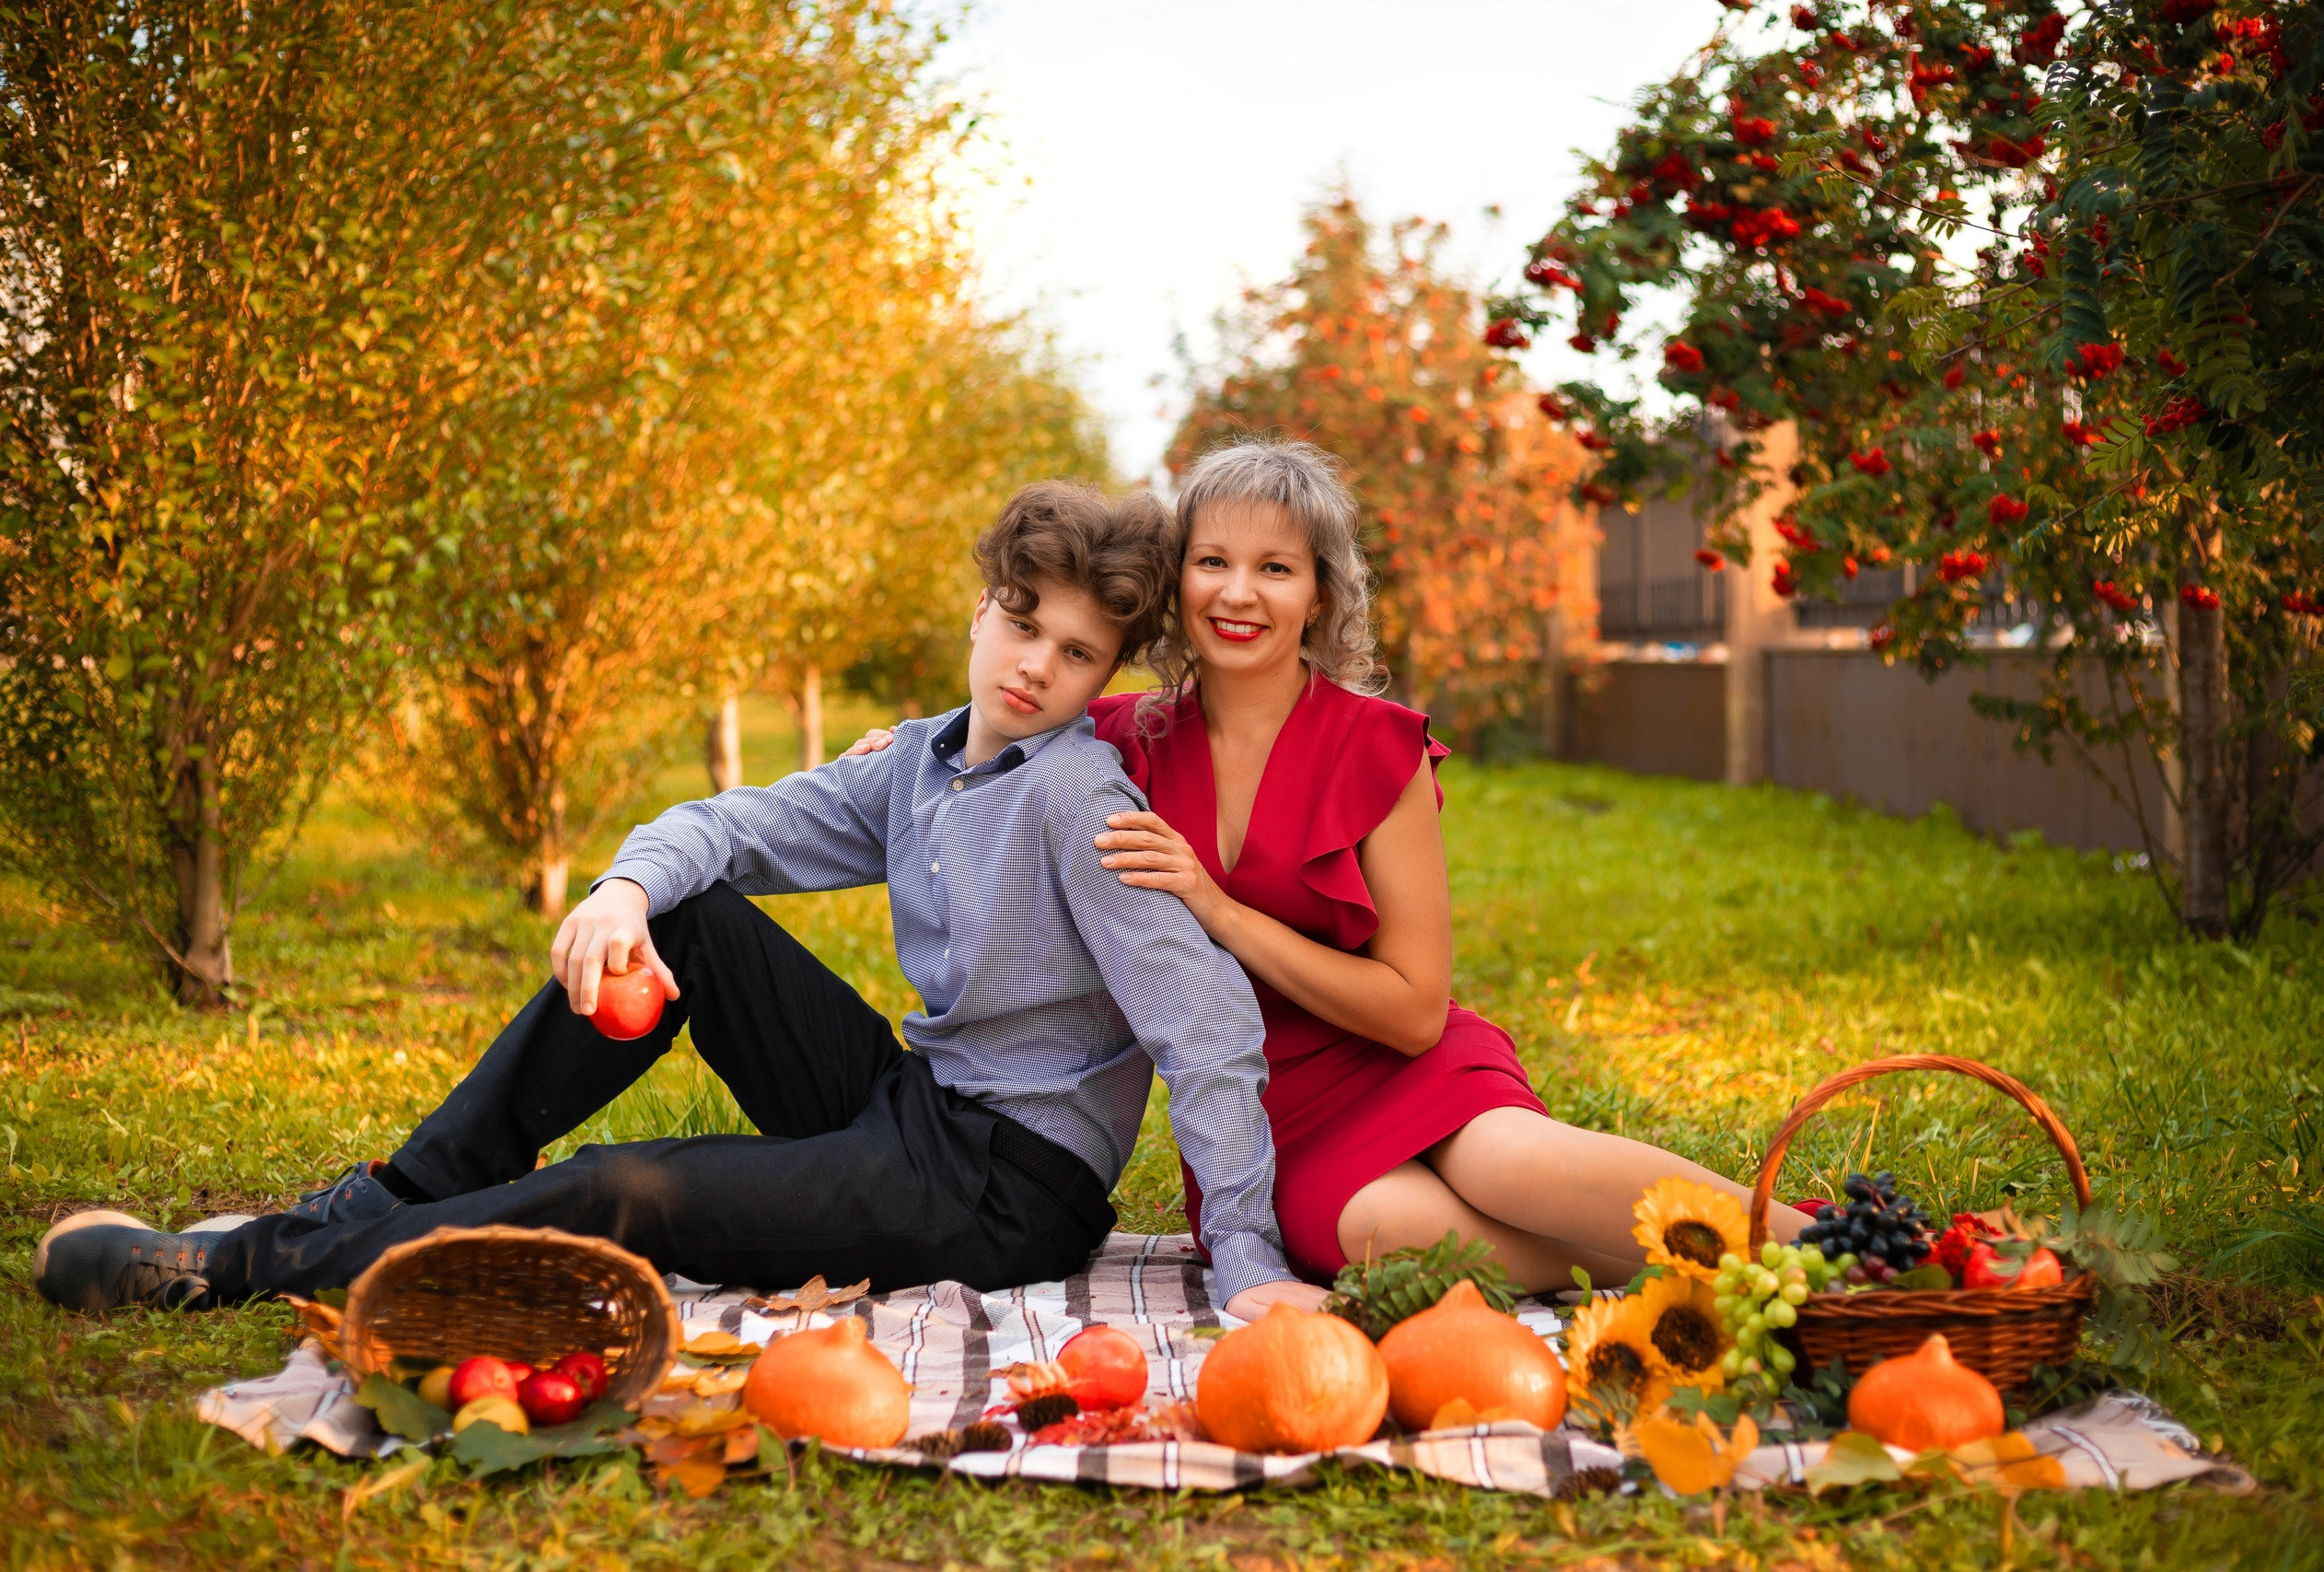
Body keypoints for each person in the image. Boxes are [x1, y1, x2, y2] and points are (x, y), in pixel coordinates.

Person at [36, 483, 1330, 1322]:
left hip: (1005, 1190)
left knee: (626, 1189)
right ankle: (402, 1189)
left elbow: (1205, 1024)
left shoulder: (1079, 798)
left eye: (1077, 651)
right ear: (983, 606)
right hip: (912, 1105)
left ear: (1108, 670)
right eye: (1020, 621)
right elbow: (736, 824)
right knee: (692, 910)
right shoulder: (929, 755)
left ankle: (244, 1266)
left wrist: (1255, 1266)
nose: (1036, 664)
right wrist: (622, 891)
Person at [853, 440, 1806, 1290]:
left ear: (1319, 591)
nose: (1237, 593)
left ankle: (1839, 1258)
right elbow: (1001, 715)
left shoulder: (1373, 749)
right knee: (1383, 1233)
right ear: (1175, 582)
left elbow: (1413, 1007)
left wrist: (1220, 913)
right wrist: (901, 746)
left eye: (1274, 567)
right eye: (1211, 561)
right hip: (1255, 1114)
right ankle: (1712, 1280)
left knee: (1510, 1165)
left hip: (1400, 1060)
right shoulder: (1120, 735)